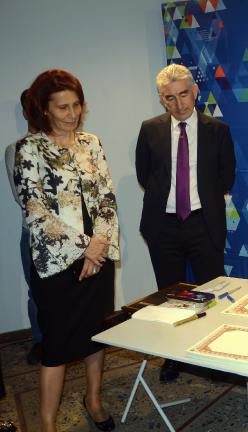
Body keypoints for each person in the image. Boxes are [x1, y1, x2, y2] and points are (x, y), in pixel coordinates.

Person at [14, 69, 120, 432]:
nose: (72, 113)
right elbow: (35, 210)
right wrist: (85, 247)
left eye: (77, 105)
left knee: (95, 334)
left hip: (98, 256)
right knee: (56, 344)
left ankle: (94, 400)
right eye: (63, 107)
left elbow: (106, 196)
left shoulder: (91, 142)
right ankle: (47, 423)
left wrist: (99, 244)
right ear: (44, 109)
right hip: (57, 262)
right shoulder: (30, 148)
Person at [135, 63, 236, 382]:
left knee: (211, 293)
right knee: (170, 296)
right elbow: (144, 174)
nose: (179, 104)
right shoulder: (149, 129)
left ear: (195, 91)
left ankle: (215, 355)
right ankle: (173, 356)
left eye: (183, 94)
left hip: (203, 223)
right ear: (161, 98)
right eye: (170, 98)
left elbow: (226, 176)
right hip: (162, 226)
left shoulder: (217, 130)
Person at [5, 89, 42, 365]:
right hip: (33, 234)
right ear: (25, 111)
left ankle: (72, 339)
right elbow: (23, 197)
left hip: (73, 235)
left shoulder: (66, 145)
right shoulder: (15, 150)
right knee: (37, 292)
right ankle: (41, 341)